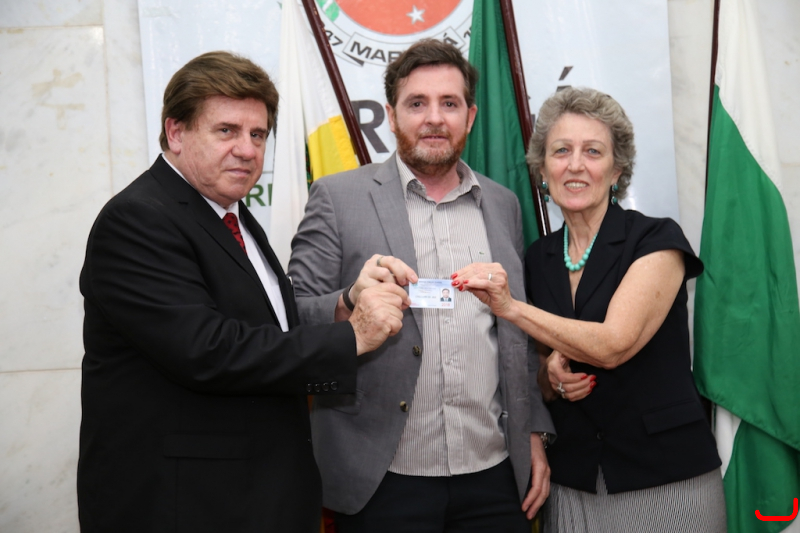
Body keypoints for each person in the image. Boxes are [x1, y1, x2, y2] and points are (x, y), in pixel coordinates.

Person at [77, 51, 408, 533]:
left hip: (256, 494)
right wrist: (351, 337)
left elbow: (264, 326)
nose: (248, 150)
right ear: (176, 132)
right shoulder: (138, 219)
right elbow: (207, 350)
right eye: (226, 130)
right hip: (184, 506)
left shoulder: (230, 212)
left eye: (258, 134)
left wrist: (345, 306)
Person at [288, 39, 554, 532]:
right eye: (417, 104)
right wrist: (350, 303)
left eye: (449, 103)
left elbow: (515, 334)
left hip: (493, 474)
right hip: (382, 479)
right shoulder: (337, 198)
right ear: (390, 116)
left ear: (470, 117)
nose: (434, 118)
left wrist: (533, 432)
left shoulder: (502, 204)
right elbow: (293, 317)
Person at [452, 87, 726, 532]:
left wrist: (511, 308)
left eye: (593, 151)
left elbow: (613, 345)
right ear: (543, 170)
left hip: (664, 474)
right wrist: (551, 378)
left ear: (616, 170)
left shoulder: (656, 239)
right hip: (573, 479)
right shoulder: (537, 259)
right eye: (561, 151)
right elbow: (538, 369)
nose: (575, 165)